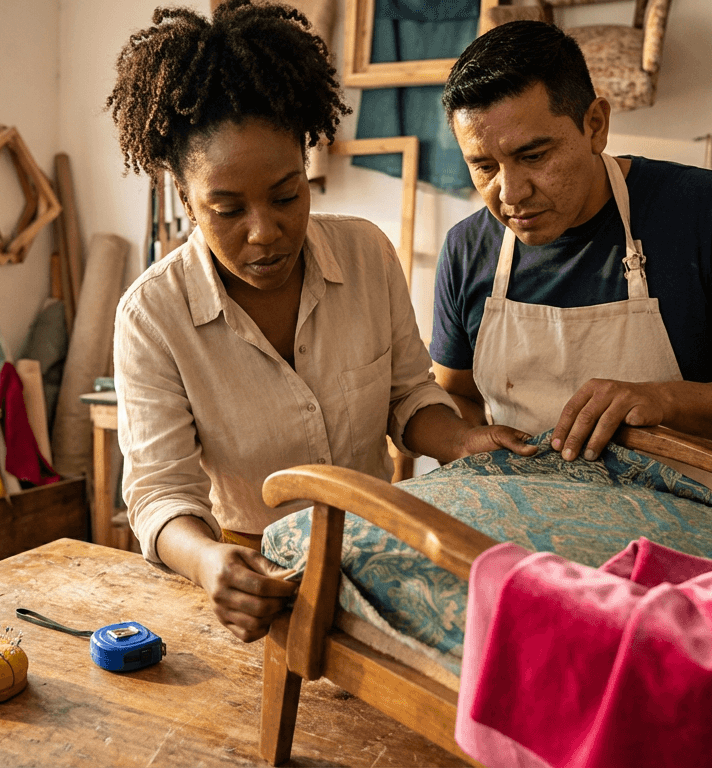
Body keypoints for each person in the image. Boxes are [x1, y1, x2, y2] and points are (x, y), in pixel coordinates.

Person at [107, 1, 533, 643]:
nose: (264, 232)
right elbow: (159, 494)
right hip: (254, 580)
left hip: (376, 554)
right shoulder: (153, 316)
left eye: (286, 195)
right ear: (182, 194)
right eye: (226, 210)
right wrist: (210, 562)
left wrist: (462, 441)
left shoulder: (364, 254)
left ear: (307, 161)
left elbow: (406, 396)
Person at [430, 21, 712, 492]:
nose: (510, 193)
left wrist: (666, 400)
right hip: (517, 511)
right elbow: (454, 392)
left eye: (534, 156)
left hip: (675, 520)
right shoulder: (467, 249)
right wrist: (469, 440)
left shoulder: (705, 211)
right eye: (483, 167)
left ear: (595, 126)